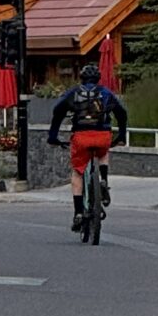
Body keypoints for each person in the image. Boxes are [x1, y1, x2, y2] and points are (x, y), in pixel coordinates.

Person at [47, 57, 128, 232]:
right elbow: (121, 113)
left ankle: (77, 212)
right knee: (104, 152)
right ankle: (104, 180)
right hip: (102, 136)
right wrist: (121, 134)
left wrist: (53, 136)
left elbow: (57, 111)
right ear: (98, 79)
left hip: (81, 137)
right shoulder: (106, 93)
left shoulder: (73, 92)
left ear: (81, 79)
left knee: (77, 172)